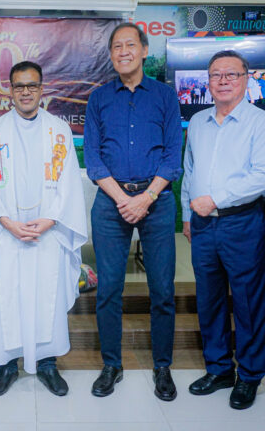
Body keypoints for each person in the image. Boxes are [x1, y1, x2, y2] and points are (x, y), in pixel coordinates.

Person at [0, 61, 87, 397]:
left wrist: (49, 220)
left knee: (47, 296)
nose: (26, 92)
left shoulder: (59, 129)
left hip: (48, 232)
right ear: (10, 90)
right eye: (19, 86)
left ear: (42, 88)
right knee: (8, 297)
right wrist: (7, 222)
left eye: (32, 85)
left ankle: (47, 364)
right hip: (8, 232)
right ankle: (7, 364)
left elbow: (68, 183)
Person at [84, 22, 183, 401]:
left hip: (156, 202)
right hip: (111, 202)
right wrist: (123, 199)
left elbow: (173, 154)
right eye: (116, 47)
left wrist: (145, 198)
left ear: (144, 49)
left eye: (130, 45)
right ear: (110, 55)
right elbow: (93, 159)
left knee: (162, 290)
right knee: (109, 289)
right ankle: (112, 364)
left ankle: (162, 367)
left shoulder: (164, 96)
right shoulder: (98, 99)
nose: (123, 51)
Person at [181, 50, 265, 410]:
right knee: (208, 300)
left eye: (231, 74)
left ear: (245, 78)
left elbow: (262, 178)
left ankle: (249, 376)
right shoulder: (197, 122)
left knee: (248, 302)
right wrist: (187, 215)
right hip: (202, 224)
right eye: (216, 75)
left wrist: (216, 200)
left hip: (242, 222)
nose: (223, 81)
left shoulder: (261, 123)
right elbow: (189, 171)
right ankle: (219, 368)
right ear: (207, 82)